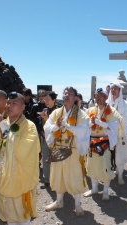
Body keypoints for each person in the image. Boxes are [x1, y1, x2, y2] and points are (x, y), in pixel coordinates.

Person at [0, 92, 40, 224]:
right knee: (7, 211)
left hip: (19, 175)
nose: (10, 105)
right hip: (1, 174)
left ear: (23, 107)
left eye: (14, 103)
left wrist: (5, 131)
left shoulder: (29, 126)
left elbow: (24, 149)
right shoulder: (1, 123)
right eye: (8, 103)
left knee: (20, 211)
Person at [43, 87, 90, 216]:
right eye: (65, 93)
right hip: (58, 148)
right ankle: (59, 201)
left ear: (75, 98)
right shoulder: (56, 112)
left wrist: (67, 126)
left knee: (75, 175)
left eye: (70, 94)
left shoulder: (81, 114)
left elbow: (83, 131)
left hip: (73, 150)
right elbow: (47, 127)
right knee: (58, 175)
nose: (66, 95)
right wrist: (56, 126)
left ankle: (78, 204)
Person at [84, 88, 121, 200]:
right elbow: (84, 126)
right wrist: (91, 122)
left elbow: (114, 126)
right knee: (92, 165)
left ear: (106, 97)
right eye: (96, 95)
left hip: (104, 142)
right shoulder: (90, 110)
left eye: (101, 95)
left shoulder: (112, 111)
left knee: (106, 166)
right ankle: (94, 188)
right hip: (92, 141)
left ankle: (105, 190)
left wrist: (99, 122)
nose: (98, 97)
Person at [106, 83, 127, 185]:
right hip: (108, 133)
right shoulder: (106, 103)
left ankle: (120, 175)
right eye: (112, 88)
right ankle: (108, 174)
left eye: (116, 88)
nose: (113, 90)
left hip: (120, 133)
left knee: (119, 155)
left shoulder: (125, 104)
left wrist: (116, 116)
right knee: (107, 155)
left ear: (120, 90)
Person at [38, 91, 58, 189]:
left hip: (55, 138)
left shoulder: (58, 111)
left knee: (55, 160)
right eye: (45, 99)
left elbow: (55, 126)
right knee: (46, 158)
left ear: (54, 100)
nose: (46, 101)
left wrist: (46, 119)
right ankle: (47, 180)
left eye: (48, 99)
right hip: (45, 137)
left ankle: (55, 181)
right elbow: (43, 125)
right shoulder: (45, 110)